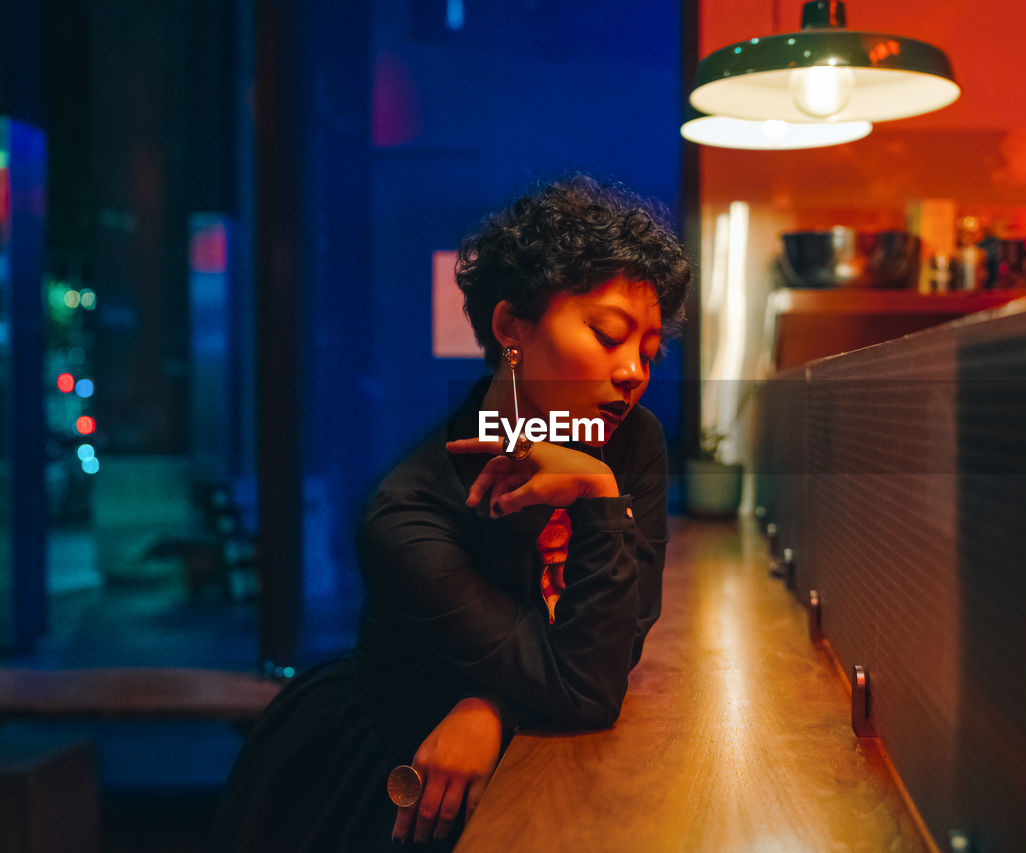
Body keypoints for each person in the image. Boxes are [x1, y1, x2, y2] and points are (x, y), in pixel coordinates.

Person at [208, 175, 692, 850]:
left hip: (515, 752)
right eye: (609, 334)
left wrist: (490, 703)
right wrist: (598, 496)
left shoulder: (629, 442)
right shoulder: (406, 514)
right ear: (510, 328)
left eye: (648, 348)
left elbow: (615, 644)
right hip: (396, 774)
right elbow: (585, 685)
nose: (634, 369)